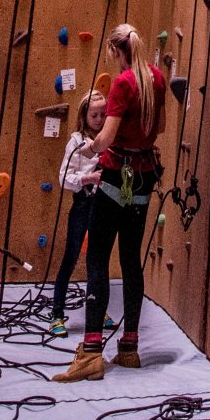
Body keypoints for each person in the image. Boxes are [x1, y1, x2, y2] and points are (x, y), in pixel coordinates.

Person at [53, 24, 168, 382]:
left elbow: (105, 139)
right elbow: (159, 126)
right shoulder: (156, 78)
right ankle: (129, 348)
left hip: (117, 174)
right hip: (144, 175)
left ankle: (90, 353)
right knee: (131, 259)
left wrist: (84, 149)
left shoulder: (123, 83)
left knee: (99, 257)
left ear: (117, 52)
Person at [48, 89, 106, 332]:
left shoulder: (108, 140)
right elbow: (64, 177)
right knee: (70, 258)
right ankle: (57, 313)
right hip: (82, 205)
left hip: (102, 207)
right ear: (84, 116)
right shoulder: (76, 141)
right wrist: (89, 177)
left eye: (104, 114)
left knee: (98, 261)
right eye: (95, 115)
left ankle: (97, 313)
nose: (100, 119)